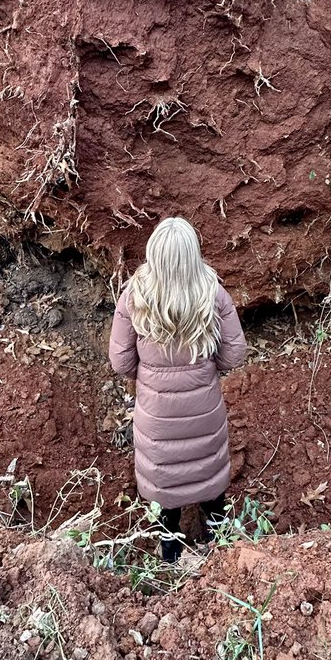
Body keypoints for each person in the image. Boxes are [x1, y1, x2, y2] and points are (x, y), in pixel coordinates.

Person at [108, 216, 247, 562]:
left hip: (156, 414)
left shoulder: (134, 296)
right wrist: (207, 371)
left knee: (163, 483)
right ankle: (220, 545)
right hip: (204, 407)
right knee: (209, 471)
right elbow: (235, 354)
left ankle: (169, 553)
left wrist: (150, 377)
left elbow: (120, 362)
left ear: (153, 254)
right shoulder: (212, 293)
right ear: (193, 254)